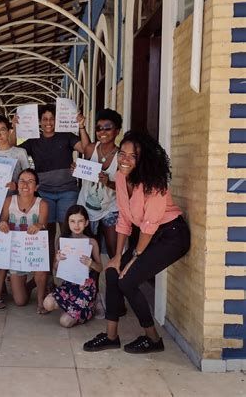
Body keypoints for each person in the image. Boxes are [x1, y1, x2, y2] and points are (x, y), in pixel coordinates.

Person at [83, 131, 191, 354]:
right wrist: (117, 256)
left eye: (133, 156)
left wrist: (133, 259)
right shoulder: (122, 178)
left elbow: (150, 226)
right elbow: (124, 218)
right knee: (113, 272)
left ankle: (153, 339)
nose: (125, 160)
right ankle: (111, 335)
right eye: (122, 154)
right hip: (148, 234)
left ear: (143, 159)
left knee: (128, 280)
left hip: (171, 236)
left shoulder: (154, 184)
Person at [11, 104, 90, 262]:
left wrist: (82, 127)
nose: (49, 122)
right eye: (45, 119)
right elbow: (13, 149)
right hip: (44, 193)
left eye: (52, 119)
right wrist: (14, 127)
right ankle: (48, 278)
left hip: (68, 191)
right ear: (39, 122)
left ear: (57, 120)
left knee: (68, 233)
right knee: (47, 235)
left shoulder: (66, 136)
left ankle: (68, 274)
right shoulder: (33, 141)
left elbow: (85, 149)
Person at [0, 169, 49, 312]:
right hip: (15, 254)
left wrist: (39, 225)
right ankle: (30, 284)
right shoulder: (8, 201)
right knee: (20, 301)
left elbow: (43, 225)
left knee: (42, 268)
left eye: (30, 182)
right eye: (22, 181)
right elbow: (1, 221)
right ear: (17, 184)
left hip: (33, 252)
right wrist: (1, 224)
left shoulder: (42, 204)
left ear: (36, 187)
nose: (25, 185)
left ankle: (40, 301)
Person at [43, 205, 102, 327]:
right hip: (69, 285)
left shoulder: (91, 242)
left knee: (65, 322)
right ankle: (74, 308)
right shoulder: (62, 240)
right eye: (73, 221)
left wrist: (91, 263)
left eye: (80, 221)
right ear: (68, 222)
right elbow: (55, 268)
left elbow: (100, 268)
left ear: (86, 223)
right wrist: (58, 260)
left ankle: (91, 306)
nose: (76, 225)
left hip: (85, 288)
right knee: (47, 304)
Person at [77, 109, 123, 258]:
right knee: (89, 250)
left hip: (110, 207)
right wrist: (76, 169)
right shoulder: (91, 149)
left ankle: (114, 280)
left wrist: (108, 183)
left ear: (117, 131)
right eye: (98, 128)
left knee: (113, 249)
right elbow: (84, 164)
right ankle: (91, 282)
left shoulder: (121, 157)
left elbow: (126, 188)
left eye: (108, 128)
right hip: (86, 206)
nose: (102, 132)